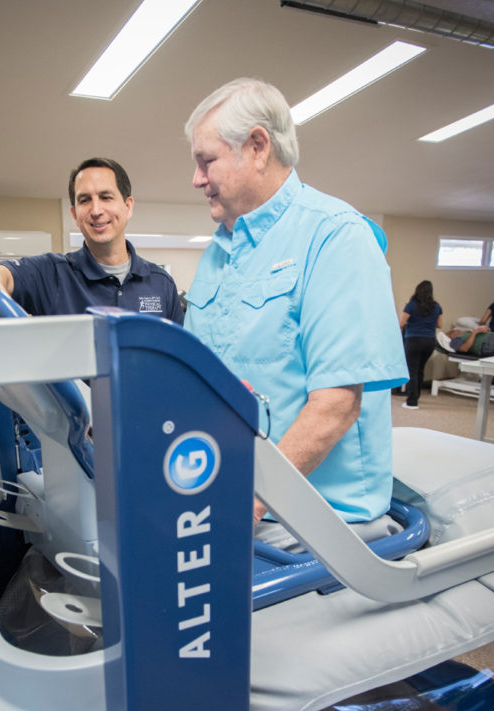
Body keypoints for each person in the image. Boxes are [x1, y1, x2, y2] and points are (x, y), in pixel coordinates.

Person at [183, 77, 408, 528]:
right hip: (230, 495)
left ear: (258, 147)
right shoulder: (220, 251)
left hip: (316, 522)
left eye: (206, 161)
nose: (196, 179)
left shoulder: (336, 235)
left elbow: (336, 405)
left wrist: (245, 506)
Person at [0, 157, 184, 324]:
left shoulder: (160, 282)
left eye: (106, 197)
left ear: (127, 207)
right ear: (74, 214)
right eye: (85, 200)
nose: (96, 210)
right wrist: (12, 316)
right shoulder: (51, 273)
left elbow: (179, 359)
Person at [399, 280, 443, 410]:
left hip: (413, 340)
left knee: (412, 371)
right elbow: (440, 325)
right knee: (420, 369)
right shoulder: (437, 306)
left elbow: (402, 323)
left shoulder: (411, 305)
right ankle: (416, 396)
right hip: (429, 341)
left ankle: (411, 402)